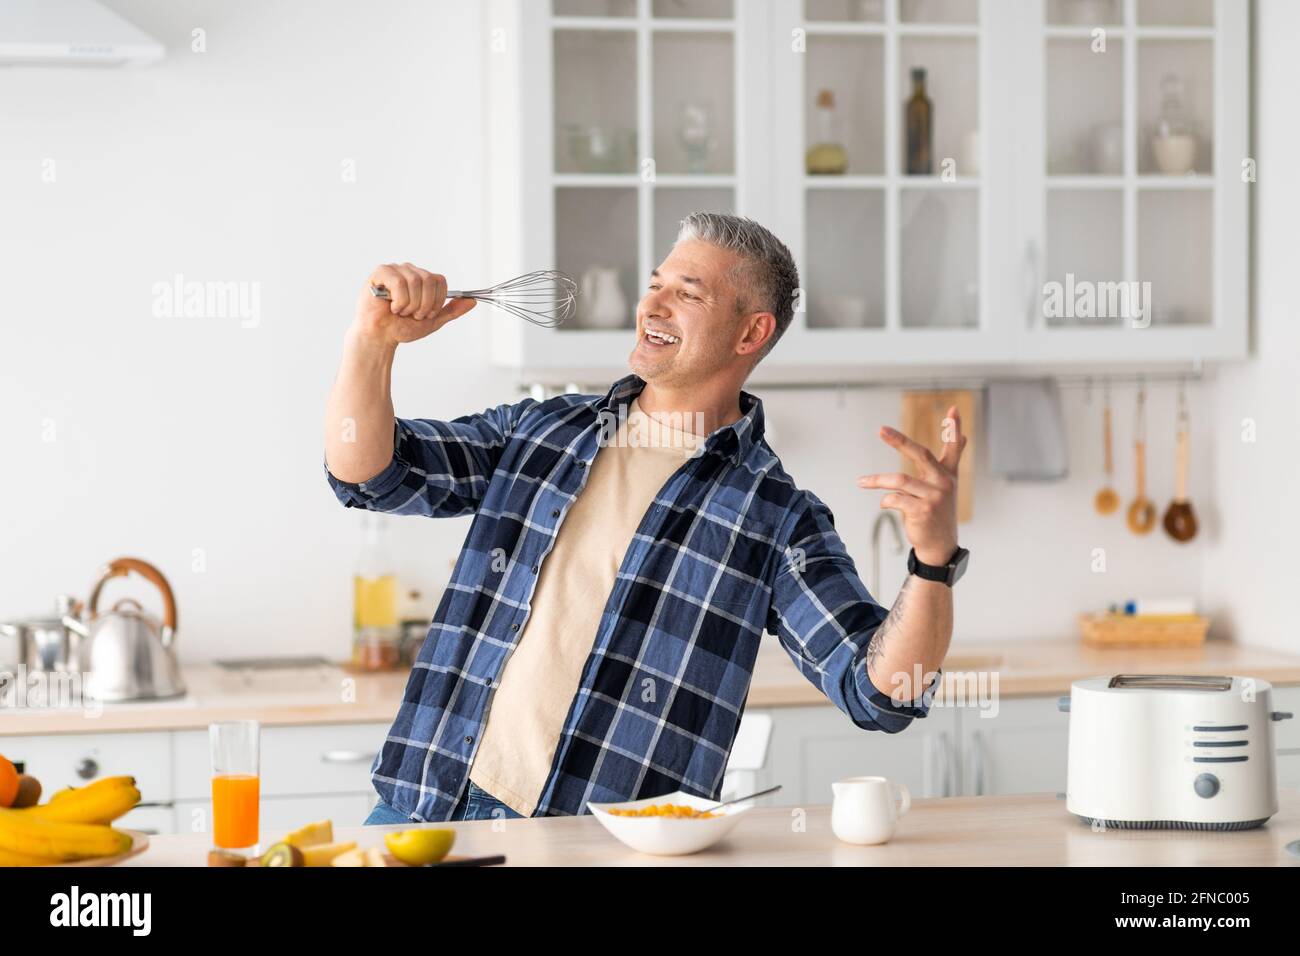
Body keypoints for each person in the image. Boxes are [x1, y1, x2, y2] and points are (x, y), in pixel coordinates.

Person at [324, 213, 969, 824]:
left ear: (751, 333)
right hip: (423, 808)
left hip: (595, 847)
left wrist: (932, 562)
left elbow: (882, 693)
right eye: (654, 284)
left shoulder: (774, 514)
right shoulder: (542, 432)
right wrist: (371, 342)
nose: (652, 305)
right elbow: (371, 476)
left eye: (687, 293)